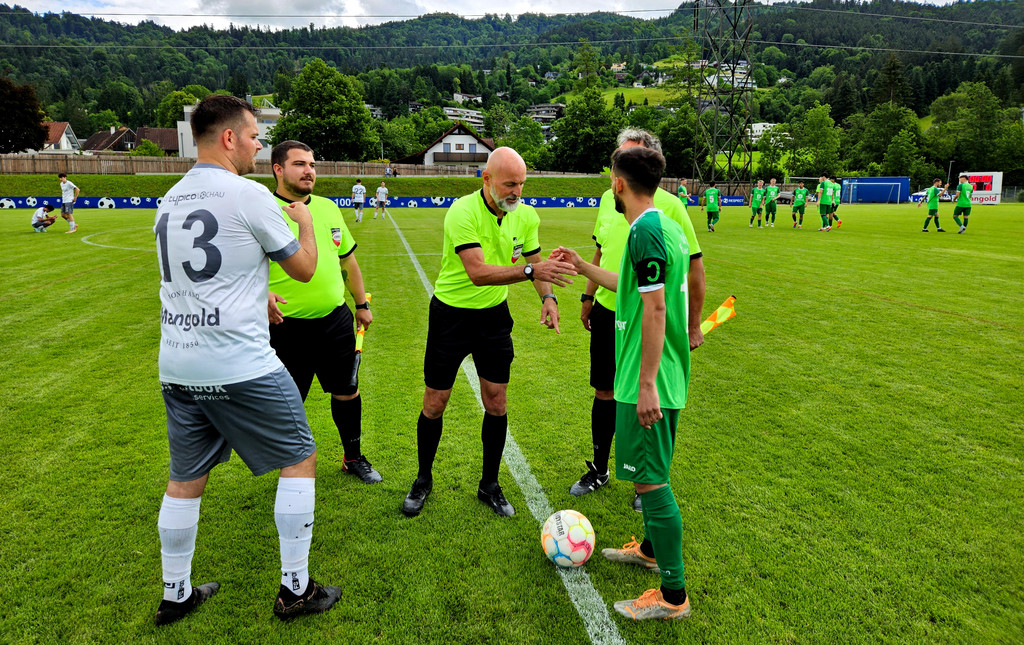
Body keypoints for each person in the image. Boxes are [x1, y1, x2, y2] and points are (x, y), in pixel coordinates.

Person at [152, 94, 340, 626]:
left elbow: (195, 278)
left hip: (178, 363)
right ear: (229, 137)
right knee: (300, 456)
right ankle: (296, 591)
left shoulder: (170, 198)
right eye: (255, 135)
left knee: (185, 477)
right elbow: (304, 268)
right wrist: (305, 223)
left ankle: (176, 593)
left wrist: (257, 295)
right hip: (239, 362)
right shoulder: (249, 195)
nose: (259, 145)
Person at [556, 145, 694, 621]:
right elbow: (633, 287)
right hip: (655, 373)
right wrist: (582, 266)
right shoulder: (664, 225)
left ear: (618, 183)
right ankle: (651, 551)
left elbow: (655, 309)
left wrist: (648, 383)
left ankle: (673, 597)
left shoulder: (647, 230)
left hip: (648, 378)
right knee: (655, 473)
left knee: (653, 483)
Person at [401, 147, 576, 518]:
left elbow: (534, 263)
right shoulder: (463, 212)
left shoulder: (526, 216)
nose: (517, 191)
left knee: (497, 401)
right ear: (486, 179)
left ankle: (490, 485)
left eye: (522, 184)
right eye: (510, 183)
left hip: (493, 317)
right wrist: (533, 274)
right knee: (435, 402)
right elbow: (478, 273)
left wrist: (549, 299)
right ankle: (423, 479)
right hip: (450, 315)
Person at [572, 128, 705, 514]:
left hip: (644, 319)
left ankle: (645, 483)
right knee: (606, 391)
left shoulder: (661, 216)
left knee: (643, 399)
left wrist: (693, 324)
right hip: (612, 310)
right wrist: (586, 290)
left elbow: (682, 280)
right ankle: (602, 468)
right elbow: (607, 256)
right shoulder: (612, 205)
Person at [267, 140, 382, 485]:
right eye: (300, 164)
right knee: (289, 400)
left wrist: (360, 304)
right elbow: (237, 268)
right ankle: (292, 463)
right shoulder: (262, 210)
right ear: (278, 169)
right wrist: (260, 294)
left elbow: (347, 259)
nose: (309, 171)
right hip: (286, 326)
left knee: (347, 389)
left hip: (335, 320)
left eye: (312, 164)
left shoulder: (329, 208)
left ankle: (353, 457)